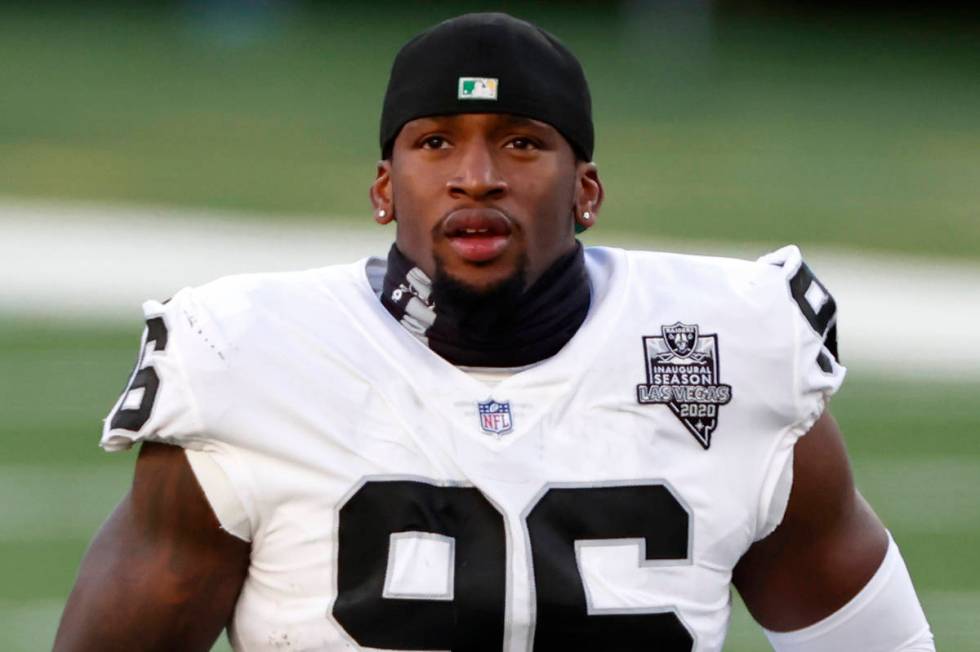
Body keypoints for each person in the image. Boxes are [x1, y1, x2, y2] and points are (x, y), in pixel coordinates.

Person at [55, 12, 934, 652]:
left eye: (520, 144)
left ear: (586, 190)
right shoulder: (246, 358)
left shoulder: (732, 350)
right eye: (436, 143)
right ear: (383, 191)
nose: (476, 177)